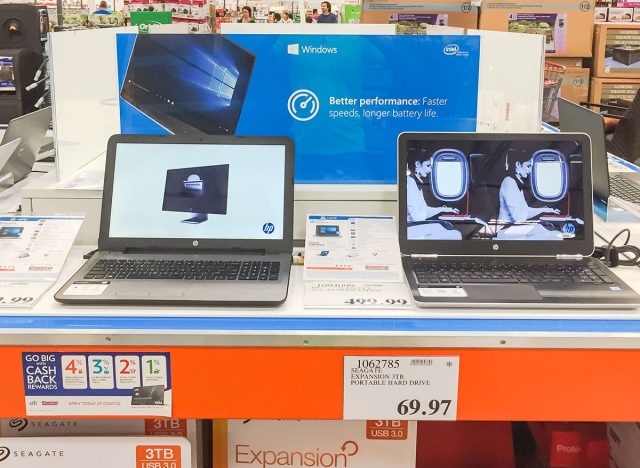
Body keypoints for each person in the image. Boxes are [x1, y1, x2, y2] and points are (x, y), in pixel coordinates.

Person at [498, 151, 560, 223]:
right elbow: (518, 217)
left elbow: (525, 211)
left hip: (513, 229)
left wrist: (545, 210)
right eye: (528, 166)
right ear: (518, 164)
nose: (530, 171)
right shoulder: (509, 182)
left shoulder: (516, 182)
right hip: (506, 230)